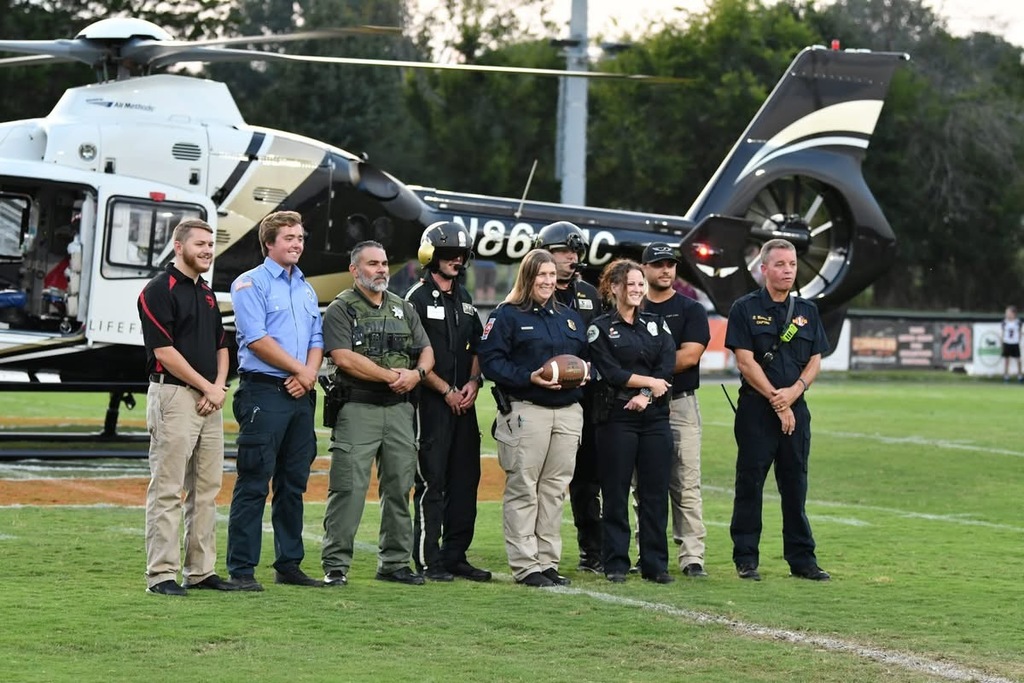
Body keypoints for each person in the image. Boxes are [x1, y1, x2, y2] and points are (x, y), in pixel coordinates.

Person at [320, 240, 435, 586]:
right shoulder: (341, 309)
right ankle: (336, 565)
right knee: (348, 488)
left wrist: (417, 375)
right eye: (372, 264)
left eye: (384, 263)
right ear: (355, 270)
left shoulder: (403, 307)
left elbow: (425, 350)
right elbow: (342, 356)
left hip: (400, 411)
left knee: (400, 487)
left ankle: (396, 563)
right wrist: (392, 377)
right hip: (358, 408)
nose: (381, 269)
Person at [478, 248, 588, 587]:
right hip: (527, 410)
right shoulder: (506, 315)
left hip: (568, 412)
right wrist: (529, 376)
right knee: (524, 488)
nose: (548, 281)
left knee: (555, 491)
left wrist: (584, 373)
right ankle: (526, 566)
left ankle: (548, 562)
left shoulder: (568, 317)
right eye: (542, 275)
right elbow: (491, 362)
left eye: (552, 275)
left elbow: (584, 357)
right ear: (528, 277)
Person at [227, 210, 324, 591]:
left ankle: (289, 564)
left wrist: (308, 375)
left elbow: (317, 339)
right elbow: (257, 339)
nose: (297, 244)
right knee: (254, 481)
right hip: (265, 392)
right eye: (289, 238)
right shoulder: (249, 284)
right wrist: (301, 372)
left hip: (301, 394)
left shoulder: (306, 287)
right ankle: (242, 569)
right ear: (269, 243)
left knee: (293, 483)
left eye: (300, 238)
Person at [137, 218, 235, 596]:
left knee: (207, 489)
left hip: (210, 400)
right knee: (167, 489)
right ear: (179, 247)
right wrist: (207, 387)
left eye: (211, 244)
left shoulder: (207, 293)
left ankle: (201, 571)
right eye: (200, 244)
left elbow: (222, 344)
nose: (208, 250)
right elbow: (164, 352)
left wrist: (219, 388)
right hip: (174, 397)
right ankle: (161, 575)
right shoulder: (158, 290)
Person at [725, 238, 830, 582]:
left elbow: (815, 360)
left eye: (792, 265)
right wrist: (776, 398)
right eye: (781, 265)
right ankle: (746, 558)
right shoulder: (744, 308)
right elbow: (744, 361)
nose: (788, 271)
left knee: (795, 486)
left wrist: (794, 392)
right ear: (764, 268)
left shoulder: (807, 311)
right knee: (750, 484)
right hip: (758, 410)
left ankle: (802, 559)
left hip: (796, 409)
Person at [404, 222, 491, 582]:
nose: (457, 260)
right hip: (430, 403)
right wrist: (446, 390)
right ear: (431, 255)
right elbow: (412, 355)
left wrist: (473, 382)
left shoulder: (466, 299)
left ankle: (456, 555)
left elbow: (477, 346)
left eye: (461, 254)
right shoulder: (415, 299)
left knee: (465, 479)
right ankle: (428, 559)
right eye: (449, 254)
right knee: (432, 481)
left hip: (464, 404)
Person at [588, 259, 675, 584]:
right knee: (615, 492)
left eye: (641, 284)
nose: (638, 289)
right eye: (632, 284)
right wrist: (646, 383)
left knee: (654, 494)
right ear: (615, 288)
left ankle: (655, 565)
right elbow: (610, 372)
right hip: (616, 418)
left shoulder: (657, 323)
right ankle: (616, 564)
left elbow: (666, 366)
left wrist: (648, 394)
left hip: (654, 417)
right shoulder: (600, 327)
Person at [533, 221, 604, 574]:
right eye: (563, 251)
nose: (571, 257)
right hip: (542, 398)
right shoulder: (531, 294)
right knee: (540, 479)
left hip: (587, 398)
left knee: (589, 478)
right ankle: (532, 550)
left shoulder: (591, 293)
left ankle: (594, 549)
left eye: (575, 251)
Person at [642, 243, 711, 577]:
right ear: (643, 270)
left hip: (679, 402)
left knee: (686, 481)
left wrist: (647, 374)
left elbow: (690, 356)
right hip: (639, 404)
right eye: (658, 264)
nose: (666, 270)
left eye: (670, 264)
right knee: (644, 484)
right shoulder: (632, 307)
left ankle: (692, 556)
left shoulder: (691, 309)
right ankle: (647, 551)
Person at [1001, 305, 1022, 382]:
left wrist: (1018, 340)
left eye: (1008, 313)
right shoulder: (1004, 322)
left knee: (1018, 360)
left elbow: (1019, 332)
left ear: (1013, 313)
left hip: (1015, 343)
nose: (1006, 314)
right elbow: (1003, 333)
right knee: (1006, 360)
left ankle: (1019, 375)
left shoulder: (1018, 322)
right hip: (1007, 342)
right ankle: (1006, 375)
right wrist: (1002, 341)